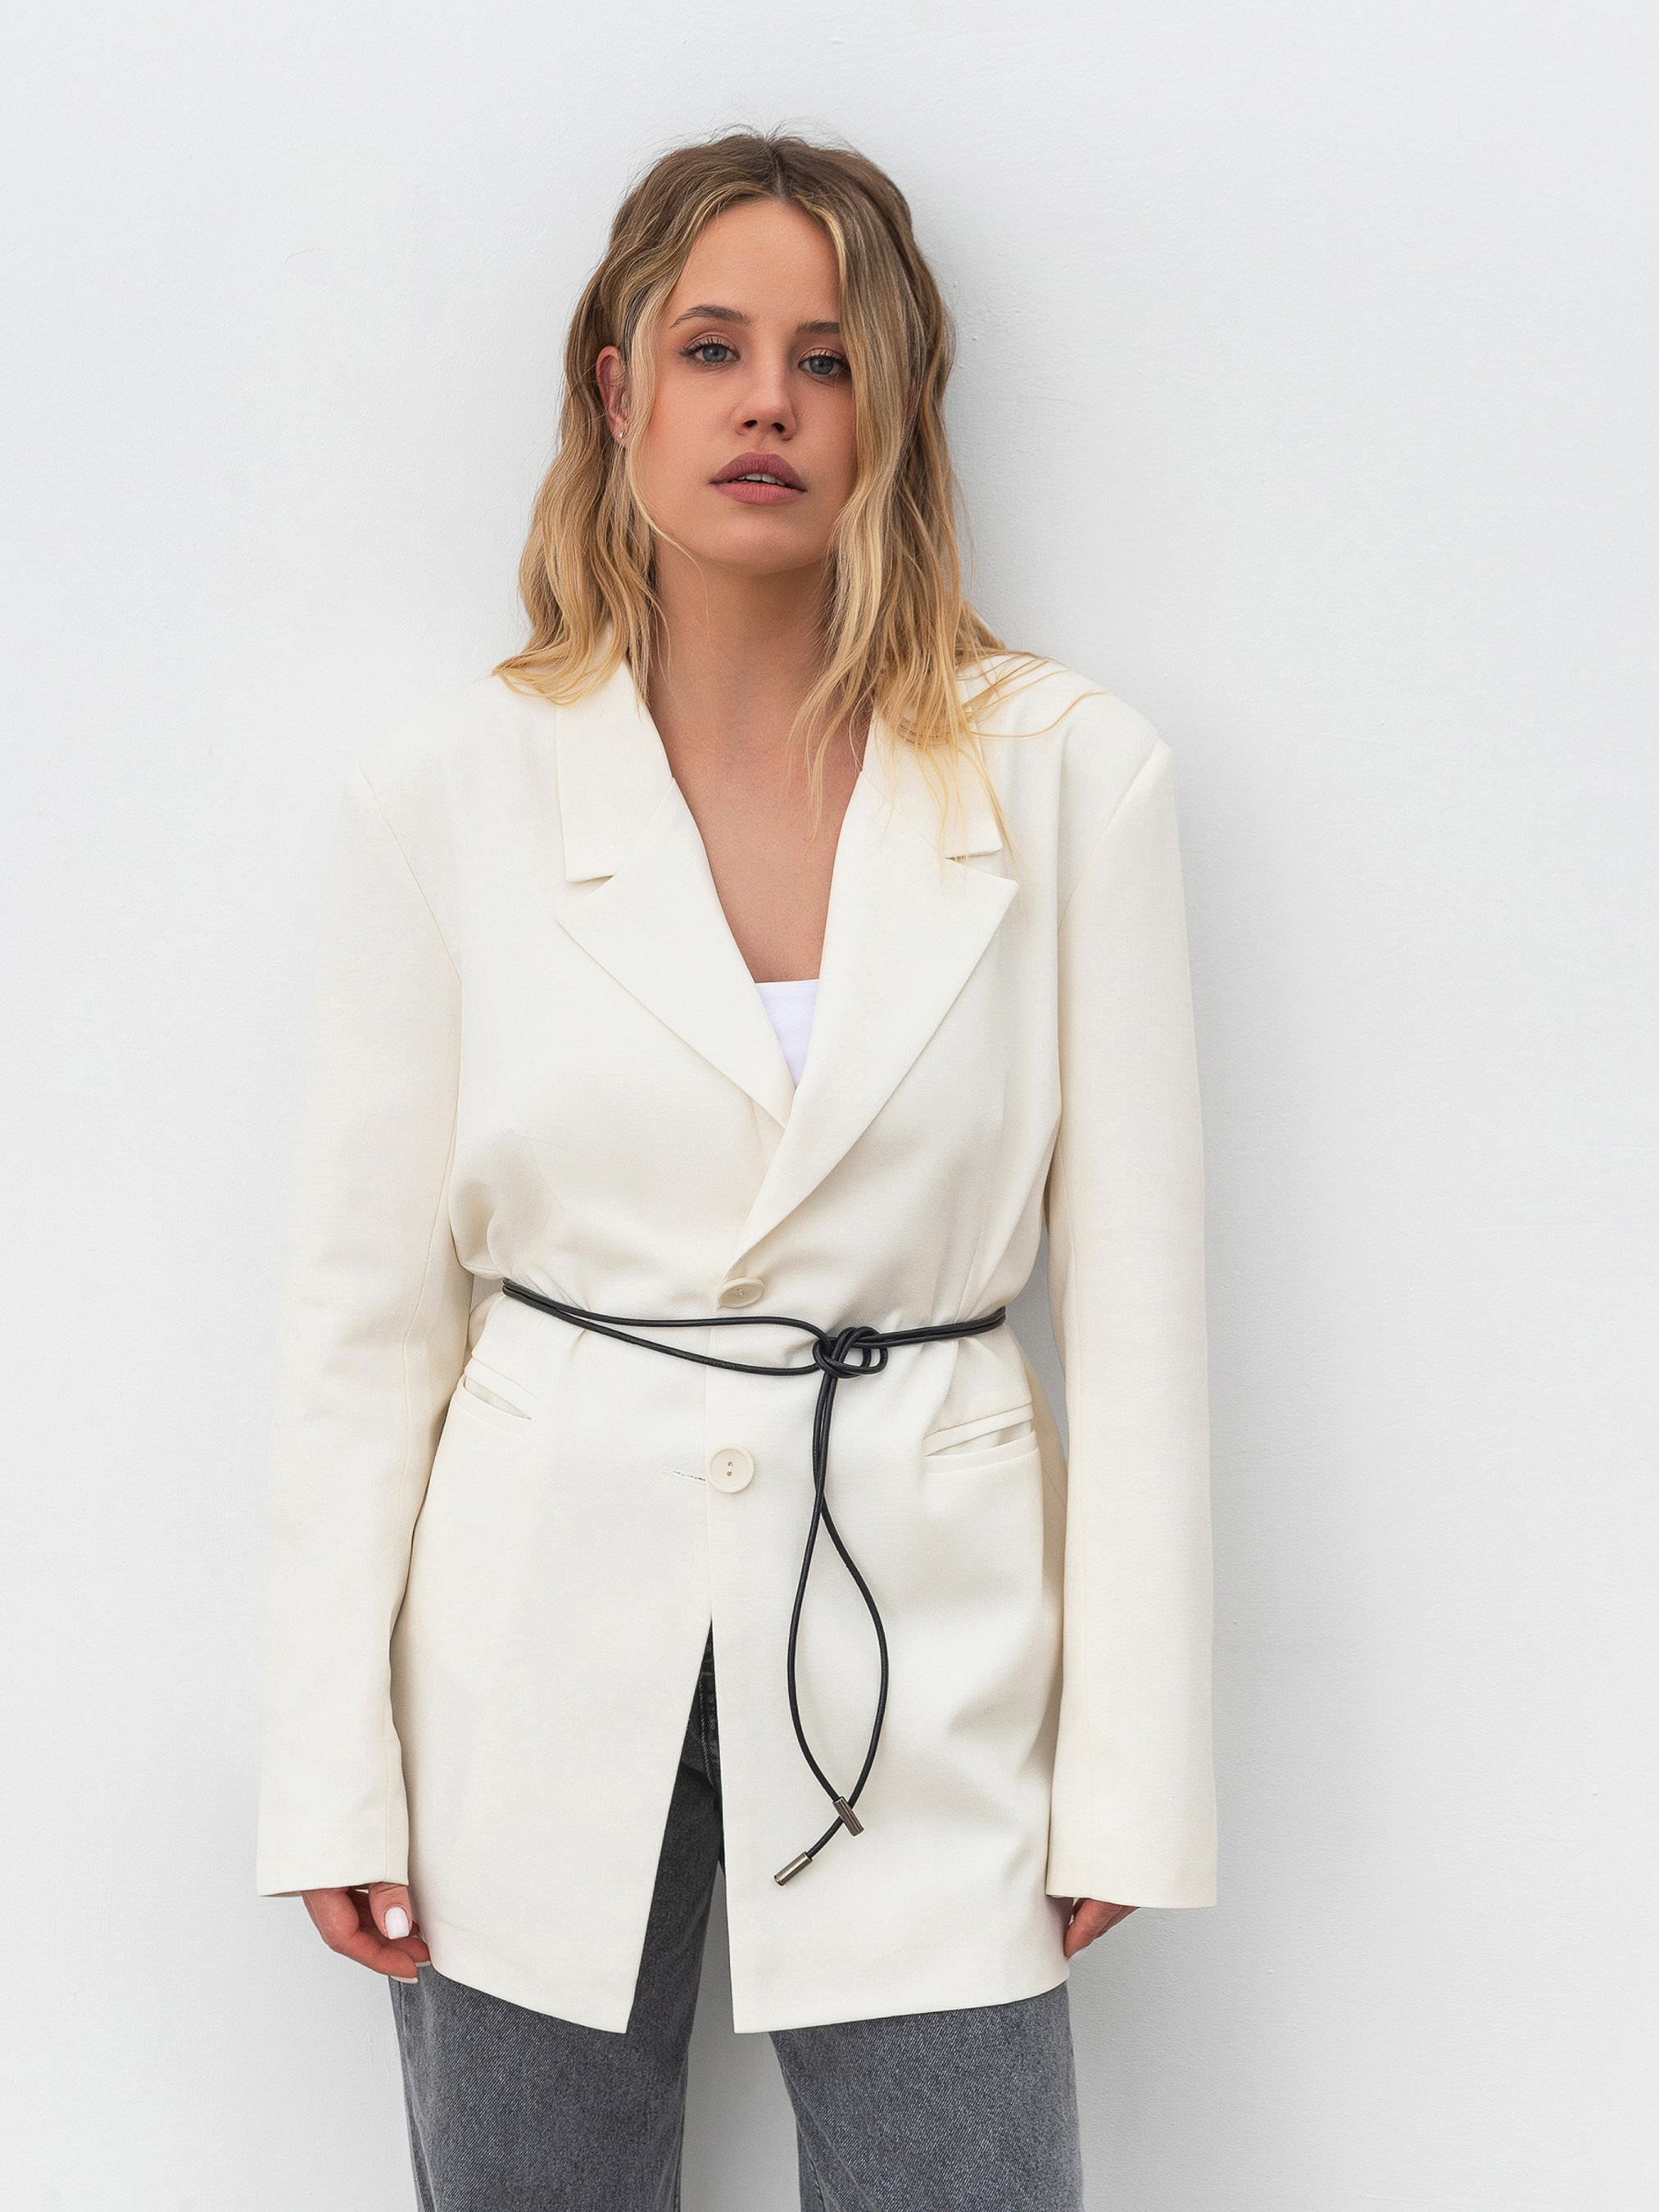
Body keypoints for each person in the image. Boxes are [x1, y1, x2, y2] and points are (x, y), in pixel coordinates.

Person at [256, 127, 1215, 2211]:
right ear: (618, 391)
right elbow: (362, 1326)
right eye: (710, 349)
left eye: (825, 355)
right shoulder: (449, 790)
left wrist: (1129, 1779)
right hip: (522, 1644)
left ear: (894, 407)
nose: (767, 402)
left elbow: (1141, 1318)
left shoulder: (1069, 776)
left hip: (924, 1640)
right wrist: (328, 1763)